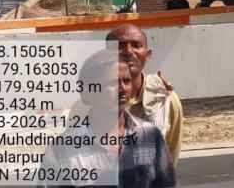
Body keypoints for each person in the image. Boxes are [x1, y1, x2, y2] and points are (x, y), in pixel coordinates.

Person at [40, 55, 176, 188]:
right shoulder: (61, 150)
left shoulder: (150, 135)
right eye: (112, 83)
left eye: (126, 81)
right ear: (87, 93)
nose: (123, 89)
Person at [105, 24, 184, 163]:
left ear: (147, 55)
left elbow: (171, 153)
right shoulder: (89, 104)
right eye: (119, 46)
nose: (128, 51)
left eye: (136, 45)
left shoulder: (165, 100)